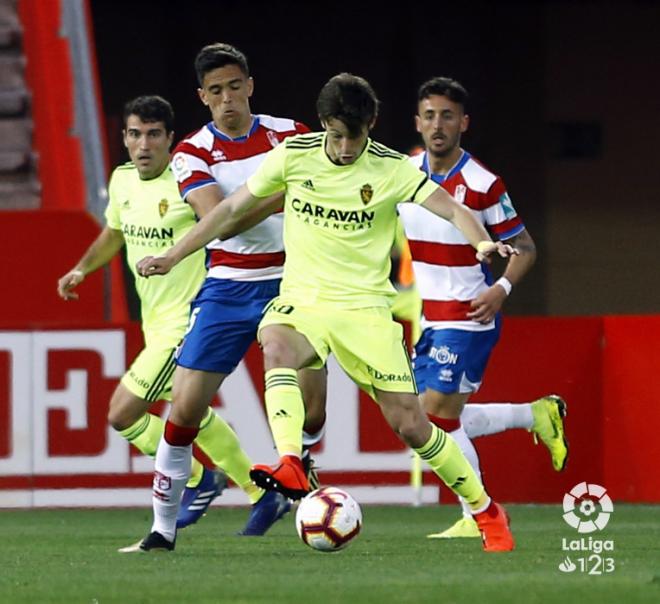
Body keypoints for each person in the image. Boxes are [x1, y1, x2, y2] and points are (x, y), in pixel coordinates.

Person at [138, 73, 519, 553]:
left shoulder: (392, 168)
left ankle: (486, 510)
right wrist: (175, 254)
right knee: (275, 339)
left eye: (353, 137)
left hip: (364, 311)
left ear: (371, 126)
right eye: (335, 135)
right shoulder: (295, 155)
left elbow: (452, 209)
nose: (342, 148)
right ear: (322, 125)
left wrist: (480, 239)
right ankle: (291, 461)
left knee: (412, 425)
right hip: (304, 299)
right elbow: (232, 210)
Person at [120, 43, 327, 553]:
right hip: (228, 287)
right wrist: (285, 194)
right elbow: (221, 216)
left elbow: (249, 208)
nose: (228, 99)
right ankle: (161, 529)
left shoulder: (290, 134)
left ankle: (298, 474)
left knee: (314, 413)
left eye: (235, 86)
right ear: (202, 97)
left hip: (292, 281)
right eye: (216, 91)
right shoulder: (190, 153)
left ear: (250, 86)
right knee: (184, 410)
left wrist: (245, 207)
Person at [57, 95, 285, 538]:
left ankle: (201, 480)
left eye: (153, 135)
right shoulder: (123, 180)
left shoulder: (187, 183)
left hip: (187, 318)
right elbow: (115, 232)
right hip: (154, 323)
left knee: (123, 413)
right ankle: (255, 491)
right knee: (189, 409)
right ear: (123, 139)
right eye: (135, 134)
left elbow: (221, 221)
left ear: (169, 140)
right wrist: (82, 267)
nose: (144, 145)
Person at [398, 76, 568, 538]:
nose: (438, 125)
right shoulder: (403, 173)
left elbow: (526, 247)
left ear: (463, 123)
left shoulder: (483, 183)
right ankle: (532, 414)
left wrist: (502, 291)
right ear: (417, 122)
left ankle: (479, 515)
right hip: (431, 318)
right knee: (419, 421)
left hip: (469, 317)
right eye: (430, 115)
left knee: (435, 418)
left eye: (447, 116)